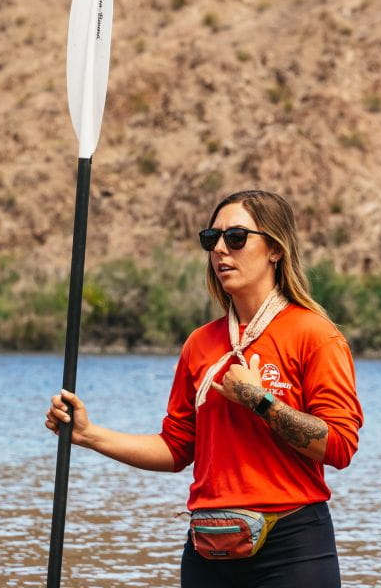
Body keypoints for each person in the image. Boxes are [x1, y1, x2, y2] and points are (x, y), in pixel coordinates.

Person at [45, 189, 363, 588]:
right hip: (209, 547)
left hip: (293, 545)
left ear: (275, 250)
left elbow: (339, 446)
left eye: (237, 238)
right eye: (212, 239)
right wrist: (89, 435)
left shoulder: (314, 335)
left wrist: (259, 400)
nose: (220, 251)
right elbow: (177, 448)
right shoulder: (201, 343)